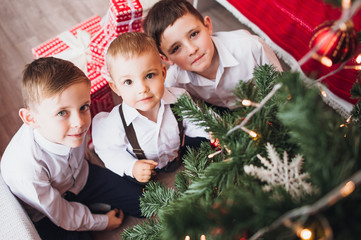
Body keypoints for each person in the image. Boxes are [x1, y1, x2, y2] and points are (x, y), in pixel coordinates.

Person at [0, 57, 144, 240]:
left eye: (84, 107)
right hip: (46, 213)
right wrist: (102, 222)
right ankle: (90, 211)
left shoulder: (72, 127)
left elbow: (82, 155)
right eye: (62, 113)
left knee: (141, 201)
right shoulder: (26, 168)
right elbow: (60, 214)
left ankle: (91, 206)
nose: (80, 123)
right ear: (31, 119)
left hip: (80, 177)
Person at [91, 32, 209, 184]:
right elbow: (109, 151)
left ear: (163, 73)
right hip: (140, 171)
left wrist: (211, 131)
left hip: (175, 158)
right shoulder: (116, 123)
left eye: (149, 76)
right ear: (116, 88)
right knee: (126, 187)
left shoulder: (179, 98)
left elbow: (196, 121)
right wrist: (131, 167)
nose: (142, 89)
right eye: (128, 82)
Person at [143, 0, 283, 109]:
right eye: (176, 48)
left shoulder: (250, 48)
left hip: (263, 105)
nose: (192, 50)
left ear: (208, 26)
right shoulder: (174, 81)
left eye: (194, 34)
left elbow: (282, 87)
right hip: (220, 115)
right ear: (166, 59)